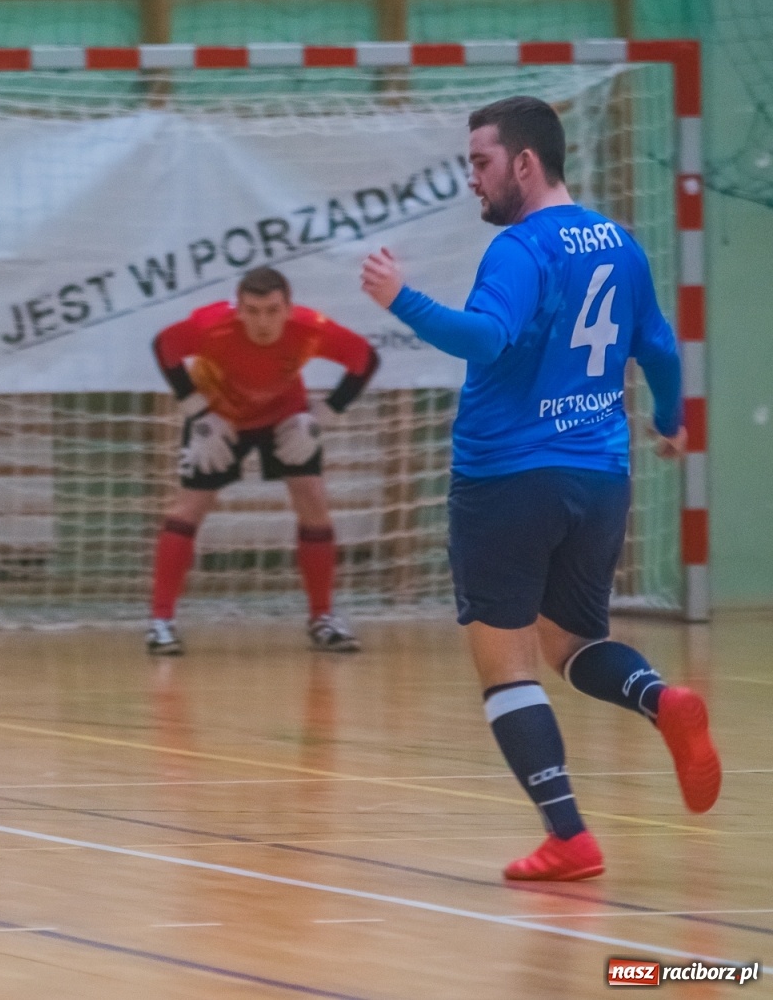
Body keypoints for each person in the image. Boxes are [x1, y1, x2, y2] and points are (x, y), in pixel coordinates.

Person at [360, 95, 720, 882]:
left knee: (507, 668)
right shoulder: (619, 242)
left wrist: (399, 300)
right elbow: (659, 347)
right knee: (570, 642)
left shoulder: (520, 249)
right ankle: (661, 699)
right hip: (600, 478)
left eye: (480, 162)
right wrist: (670, 420)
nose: (472, 179)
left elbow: (487, 339)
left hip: (506, 478)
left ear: (524, 162)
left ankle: (570, 837)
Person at [146, 266, 380, 656]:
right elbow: (164, 347)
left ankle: (322, 618)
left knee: (313, 499)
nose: (263, 322)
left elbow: (365, 359)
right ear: (238, 309)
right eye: (252, 311)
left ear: (288, 308)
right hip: (219, 417)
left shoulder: (310, 329)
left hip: (284, 416)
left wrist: (323, 416)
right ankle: (160, 623)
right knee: (190, 505)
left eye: (272, 310)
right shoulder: (210, 327)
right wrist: (197, 412)